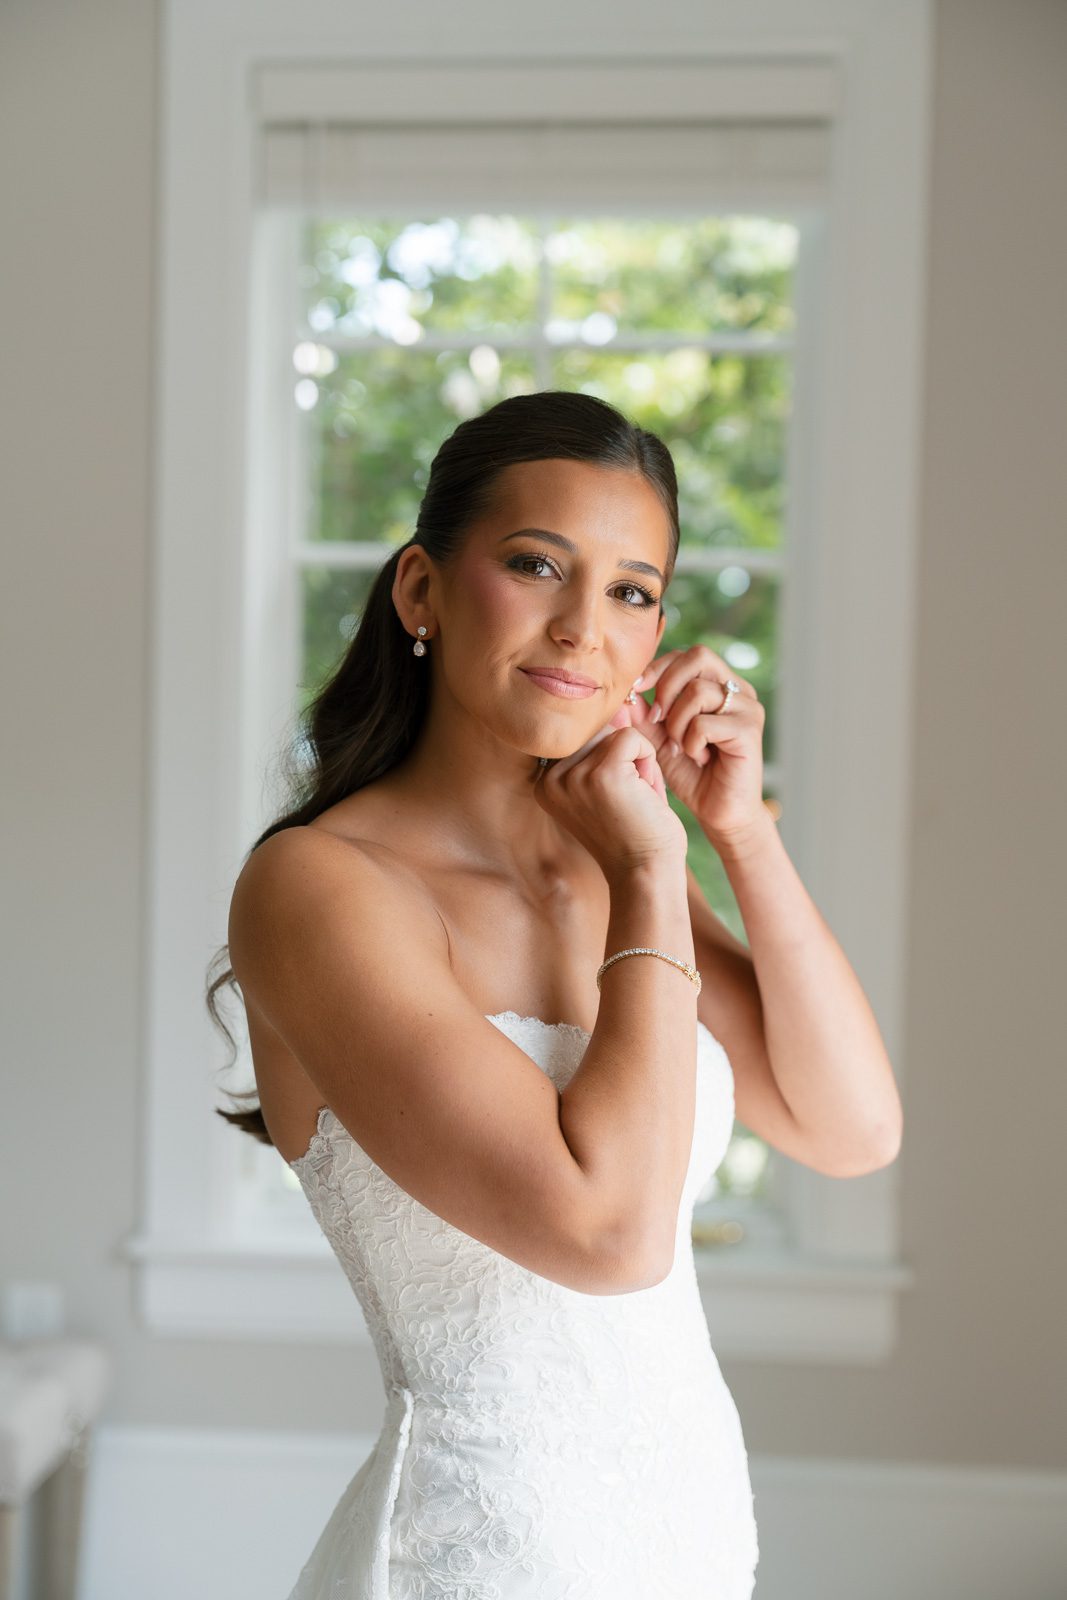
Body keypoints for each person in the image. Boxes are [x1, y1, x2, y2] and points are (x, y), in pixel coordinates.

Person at [212, 388, 902, 1598]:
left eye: (631, 591)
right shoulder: (319, 887)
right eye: (536, 565)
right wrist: (649, 866)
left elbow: (850, 1130)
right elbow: (611, 1234)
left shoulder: (608, 855)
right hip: (477, 1551)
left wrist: (734, 836)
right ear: (420, 591)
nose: (585, 627)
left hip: (685, 1532)